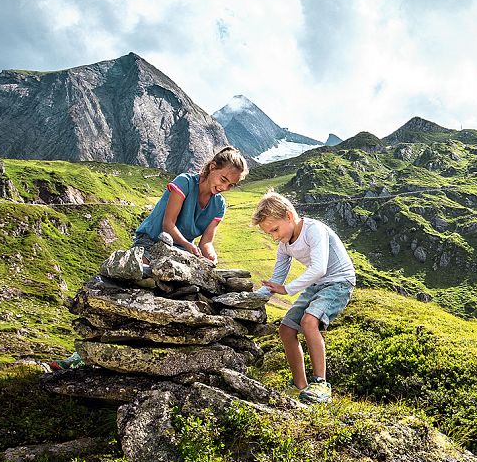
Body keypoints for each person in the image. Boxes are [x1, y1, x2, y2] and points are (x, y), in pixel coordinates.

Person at [49, 146, 248, 370]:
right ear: (213, 167)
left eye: (231, 185)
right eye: (223, 179)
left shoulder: (219, 204)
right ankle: (80, 357)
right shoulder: (184, 182)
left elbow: (207, 242)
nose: (224, 187)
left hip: (179, 257)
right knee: (124, 297)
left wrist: (210, 254)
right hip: (151, 244)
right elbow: (168, 225)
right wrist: (187, 245)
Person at [252, 191, 355, 403]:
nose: (274, 237)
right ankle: (300, 387)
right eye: (269, 233)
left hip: (339, 282)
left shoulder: (314, 230)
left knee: (309, 321)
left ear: (289, 216)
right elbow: (277, 278)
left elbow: (319, 268)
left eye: (275, 229)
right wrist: (253, 299)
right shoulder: (284, 244)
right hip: (317, 285)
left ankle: (320, 385)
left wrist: (287, 290)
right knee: (286, 329)